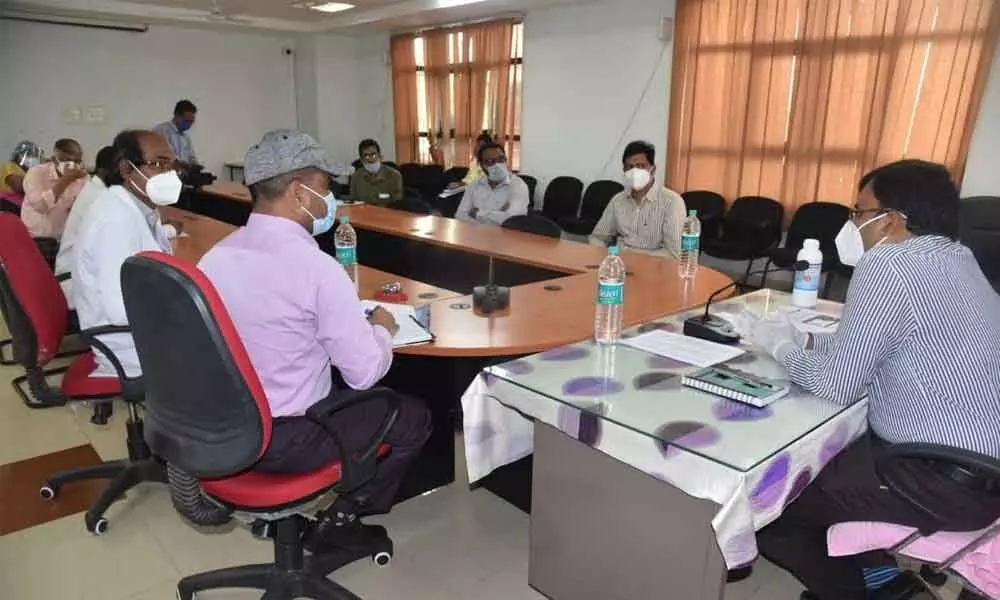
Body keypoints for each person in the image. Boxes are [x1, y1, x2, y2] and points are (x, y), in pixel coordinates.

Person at [748, 160, 1000, 600]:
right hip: (979, 468)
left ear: (893, 221)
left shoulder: (888, 263)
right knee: (828, 461)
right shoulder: (961, 258)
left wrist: (778, 346)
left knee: (772, 511)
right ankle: (883, 577)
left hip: (942, 477)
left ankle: (859, 593)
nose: (852, 223)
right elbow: (874, 344)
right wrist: (804, 340)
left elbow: (835, 385)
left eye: (859, 212)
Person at [198, 129, 431, 554]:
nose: (332, 198)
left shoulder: (215, 257)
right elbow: (363, 375)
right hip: (287, 438)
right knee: (412, 415)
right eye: (325, 186)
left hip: (226, 427)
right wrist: (382, 327)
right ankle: (342, 519)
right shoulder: (316, 268)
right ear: (297, 192)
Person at [73, 130, 180, 382]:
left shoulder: (133, 208)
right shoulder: (115, 220)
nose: (169, 174)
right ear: (126, 169)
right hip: (129, 348)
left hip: (141, 333)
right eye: (159, 164)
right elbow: (121, 310)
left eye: (172, 165)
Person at [590, 141, 687, 258]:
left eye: (641, 166)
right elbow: (598, 237)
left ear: (653, 169)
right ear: (624, 170)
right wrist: (606, 259)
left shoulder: (672, 202)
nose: (635, 172)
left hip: (654, 270)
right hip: (618, 265)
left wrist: (631, 256)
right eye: (629, 167)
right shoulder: (618, 200)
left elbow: (674, 253)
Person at [55, 146, 117, 307]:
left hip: (80, 275)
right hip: (76, 283)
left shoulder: (96, 190)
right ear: (104, 170)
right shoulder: (100, 197)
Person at [21, 139, 88, 268]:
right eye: (67, 160)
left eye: (77, 161)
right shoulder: (36, 174)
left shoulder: (81, 178)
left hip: (64, 242)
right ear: (54, 159)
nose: (72, 165)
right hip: (36, 242)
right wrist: (66, 180)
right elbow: (41, 206)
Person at [455, 142, 530, 226]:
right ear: (482, 165)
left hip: (505, 237)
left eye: (501, 159)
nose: (497, 165)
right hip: (475, 236)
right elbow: (460, 216)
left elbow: (513, 220)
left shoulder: (518, 186)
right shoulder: (474, 185)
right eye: (490, 161)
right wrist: (497, 215)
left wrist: (477, 213)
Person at [349, 138, 403, 206]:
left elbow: (397, 203)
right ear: (361, 160)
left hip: (387, 214)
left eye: (373, 155)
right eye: (366, 156)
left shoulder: (394, 176)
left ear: (380, 156)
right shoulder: (356, 177)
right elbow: (354, 202)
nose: (371, 159)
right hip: (363, 214)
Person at [153, 99, 199, 168]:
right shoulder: (162, 130)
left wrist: (195, 165)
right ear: (177, 116)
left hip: (182, 173)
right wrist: (183, 164)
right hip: (165, 172)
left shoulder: (186, 137)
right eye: (187, 121)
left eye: (191, 122)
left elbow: (192, 156)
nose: (189, 124)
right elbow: (166, 155)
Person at [0, 140, 43, 206]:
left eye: (36, 156)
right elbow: (18, 186)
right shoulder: (9, 166)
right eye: (31, 155)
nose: (35, 159)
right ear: (20, 155)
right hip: (7, 207)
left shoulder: (28, 171)